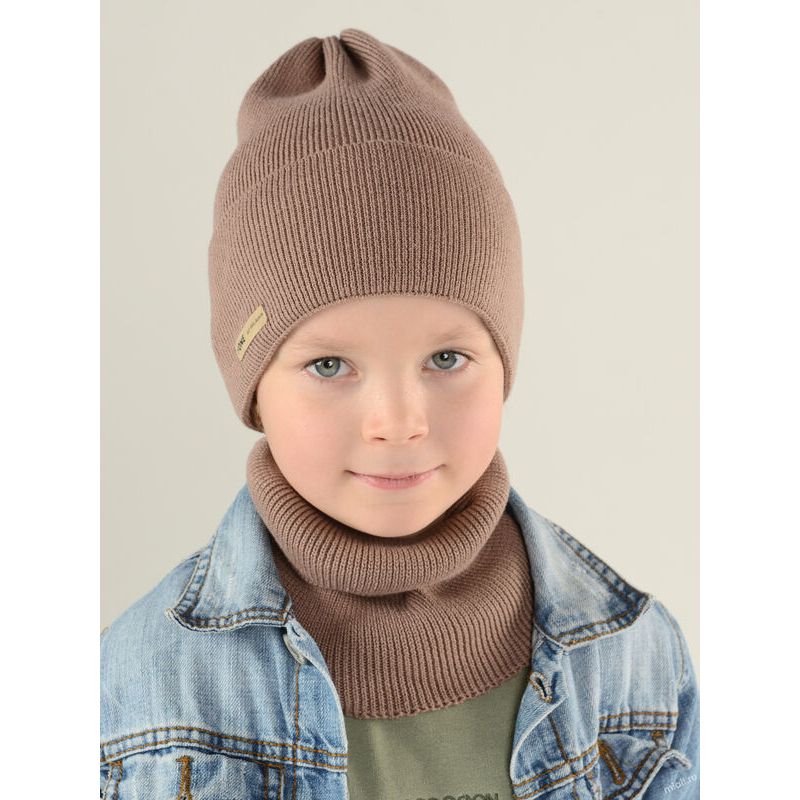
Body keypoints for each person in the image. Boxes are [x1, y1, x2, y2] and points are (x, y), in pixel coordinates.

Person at [100, 28, 699, 800]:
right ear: (252, 385)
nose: (398, 421)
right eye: (328, 366)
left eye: (446, 358)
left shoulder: (634, 663)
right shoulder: (141, 687)